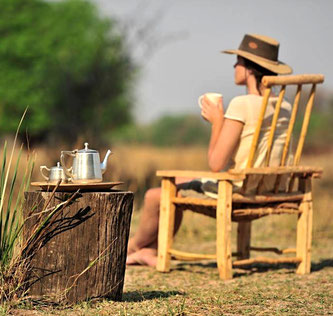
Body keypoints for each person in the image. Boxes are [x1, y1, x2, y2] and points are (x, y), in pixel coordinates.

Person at [126, 34, 293, 267]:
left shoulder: (242, 104)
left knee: (155, 195)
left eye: (238, 61)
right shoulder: (284, 106)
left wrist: (217, 122)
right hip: (270, 189)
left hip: (238, 191)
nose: (234, 66)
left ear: (249, 70)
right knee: (173, 183)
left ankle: (133, 250)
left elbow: (216, 163)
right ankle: (149, 250)